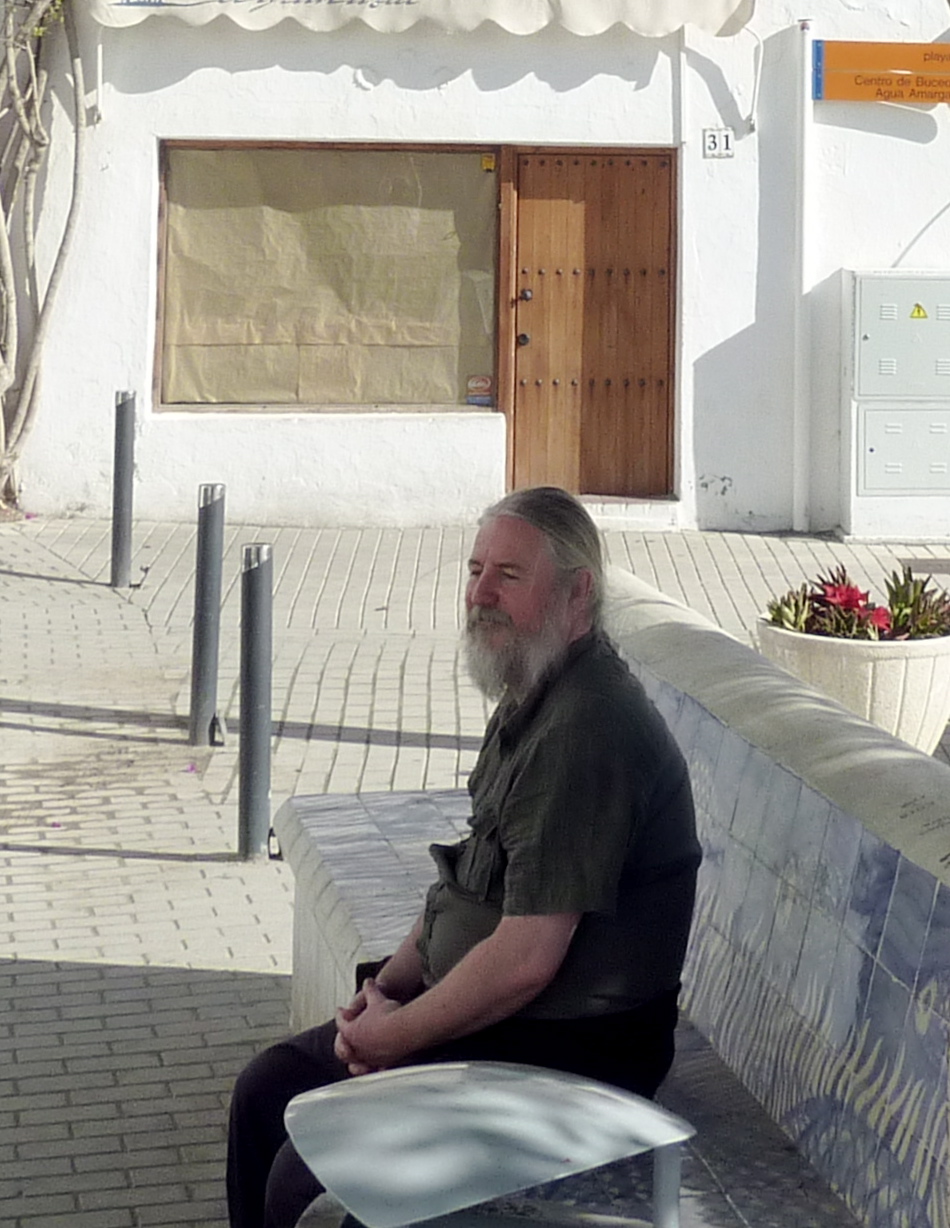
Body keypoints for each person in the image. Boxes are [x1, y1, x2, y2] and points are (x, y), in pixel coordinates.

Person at [226, 486, 700, 1228]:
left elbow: (524, 961)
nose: (480, 593)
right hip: (508, 1018)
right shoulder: (533, 692)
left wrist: (394, 1036)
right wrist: (383, 987)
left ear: (579, 594)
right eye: (475, 570)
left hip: (569, 1048)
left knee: (308, 1177)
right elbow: (466, 883)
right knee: (268, 1091)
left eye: (509, 576)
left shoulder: (588, 728)